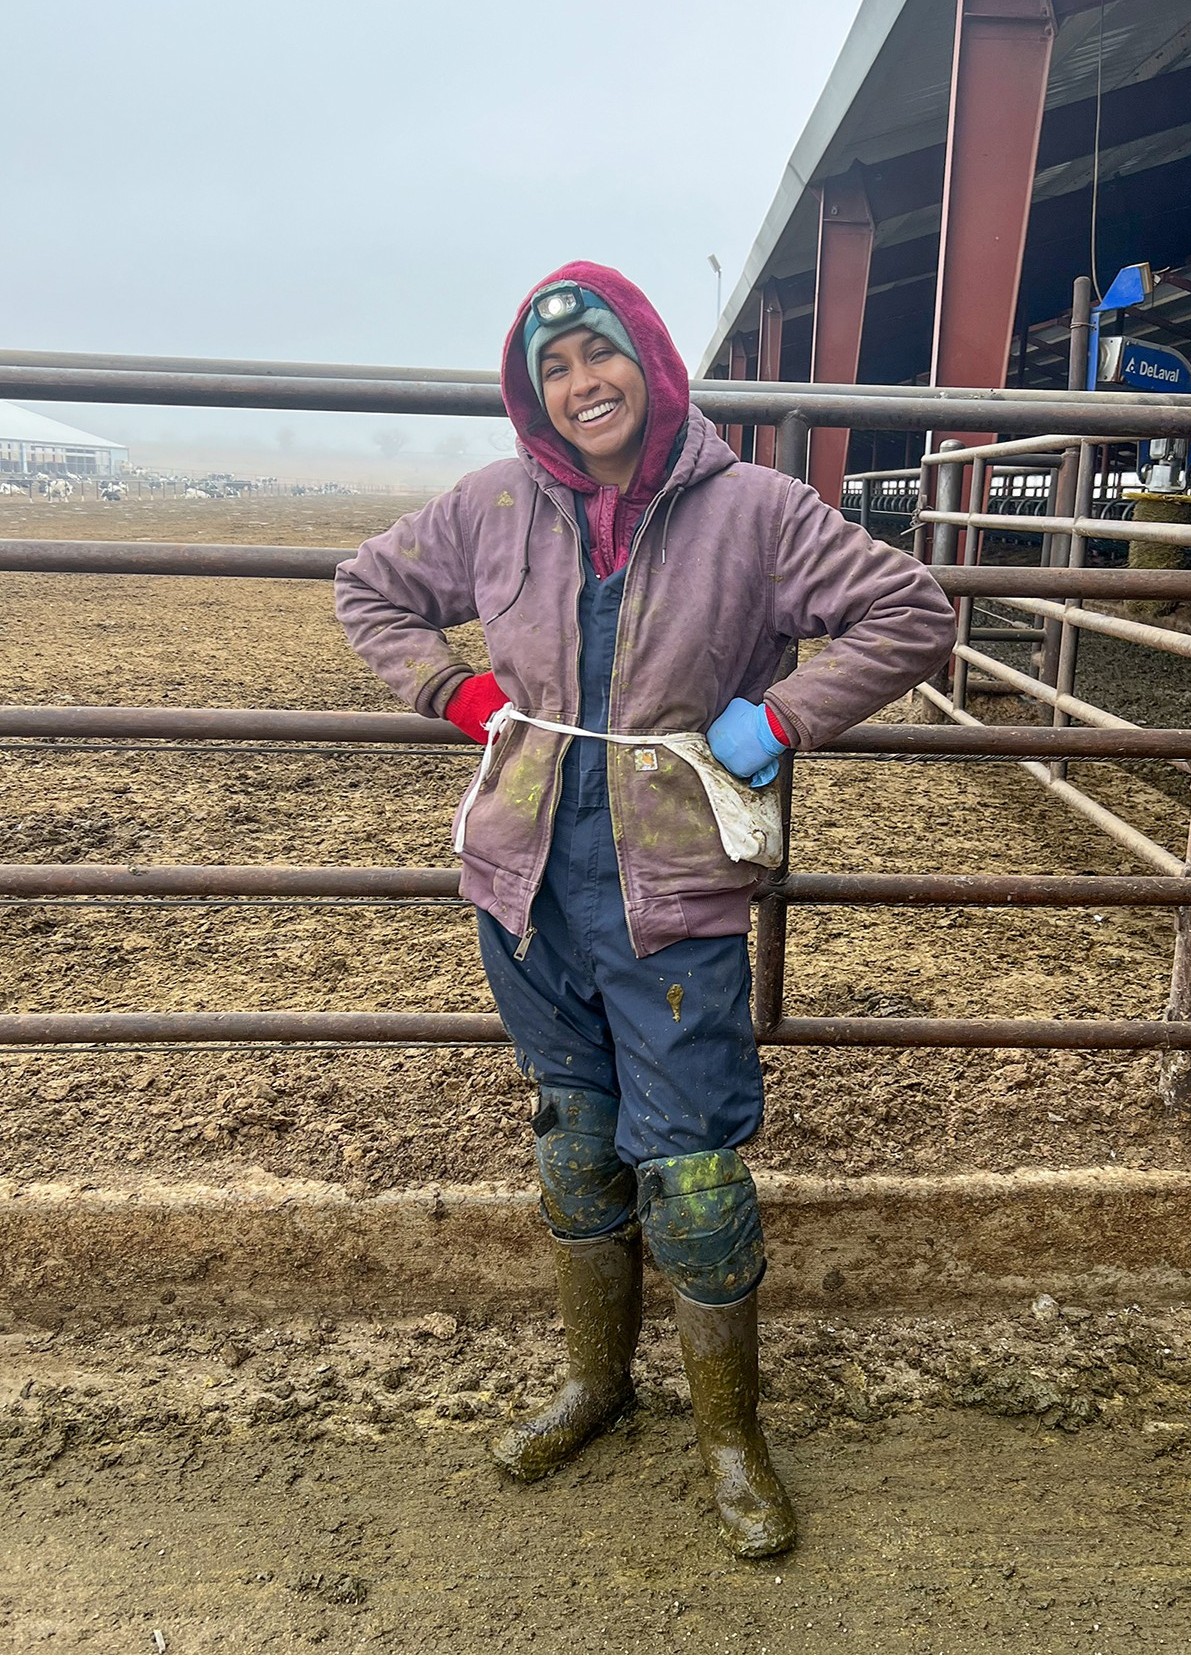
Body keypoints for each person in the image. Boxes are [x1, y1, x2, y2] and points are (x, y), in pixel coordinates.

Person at [335, 261, 955, 1559]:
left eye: (599, 356)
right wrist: (449, 693)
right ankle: (598, 1387)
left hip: (673, 886)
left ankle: (731, 1436)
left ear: (653, 364)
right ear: (533, 393)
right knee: (575, 1137)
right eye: (553, 370)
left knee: (697, 1174)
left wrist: (775, 720)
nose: (579, 385)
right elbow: (369, 590)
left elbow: (910, 611)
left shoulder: (757, 512)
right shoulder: (495, 504)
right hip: (525, 885)